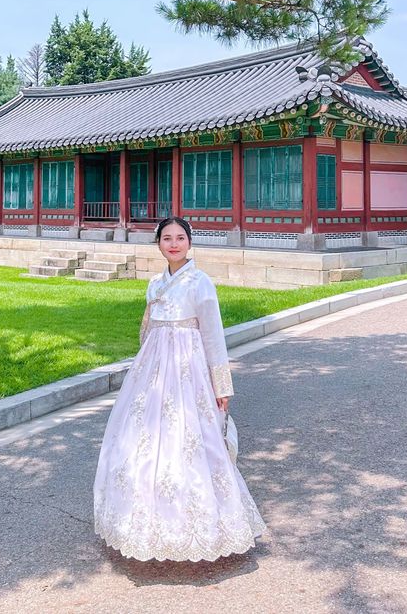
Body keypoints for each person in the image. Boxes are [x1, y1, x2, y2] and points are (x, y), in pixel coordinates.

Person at [93, 216, 266, 561]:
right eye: (167, 238)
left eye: (180, 238)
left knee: (192, 439)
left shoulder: (201, 283)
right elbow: (147, 331)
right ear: (159, 244)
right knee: (142, 439)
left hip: (189, 371)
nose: (174, 244)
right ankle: (141, 523)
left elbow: (214, 336)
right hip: (153, 372)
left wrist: (221, 385)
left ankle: (203, 525)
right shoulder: (155, 284)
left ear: (190, 242)